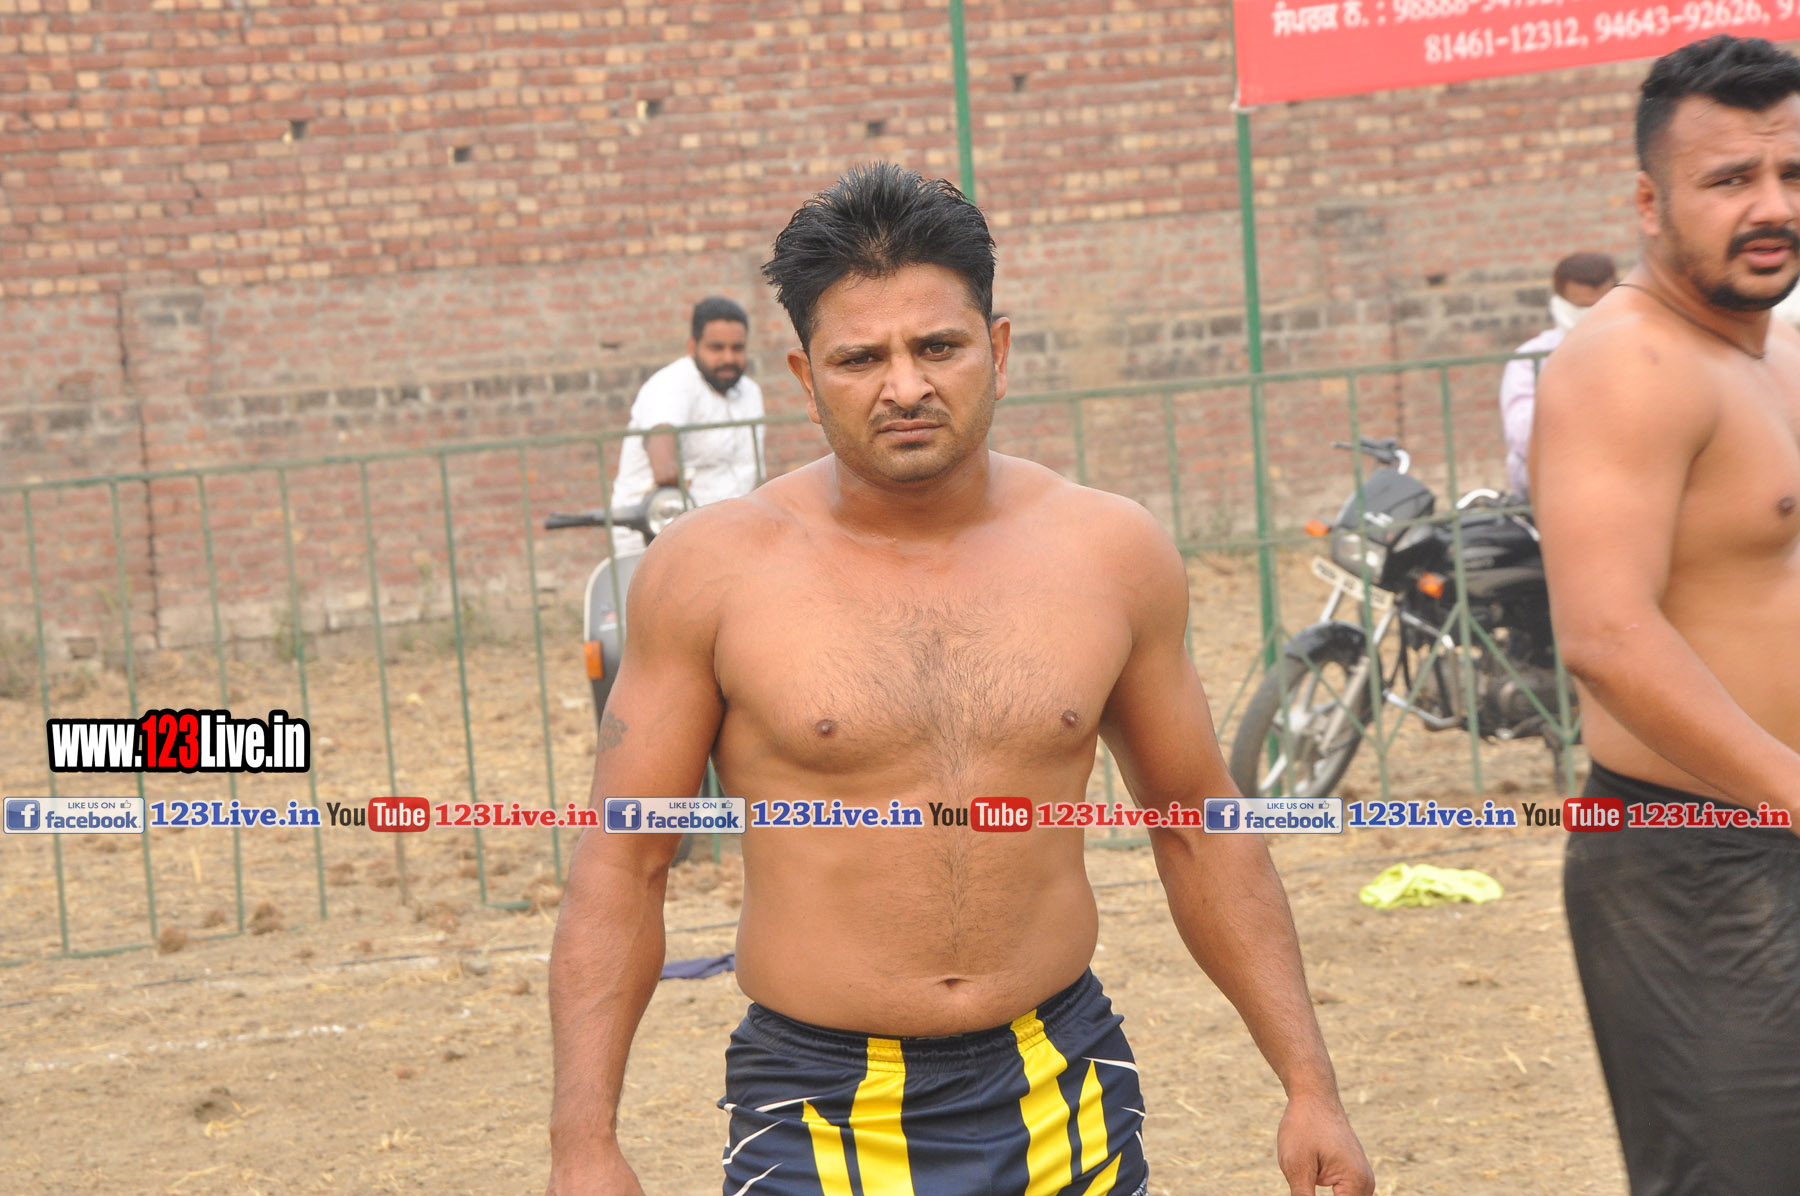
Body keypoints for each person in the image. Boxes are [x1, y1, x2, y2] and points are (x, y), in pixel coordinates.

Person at [546, 163, 1374, 1196]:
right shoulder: (709, 572)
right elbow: (623, 862)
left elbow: (1200, 826)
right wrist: (583, 1143)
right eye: (861, 358)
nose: (904, 386)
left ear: (999, 350)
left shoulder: (1109, 551)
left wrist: (1309, 1084)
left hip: (1063, 1084)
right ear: (805, 379)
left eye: (937, 346)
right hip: (819, 1109)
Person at [1531, 35, 1800, 1196]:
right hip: (1700, 857)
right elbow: (1608, 635)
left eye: (1791, 173)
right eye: (1730, 178)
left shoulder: (1775, 353)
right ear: (1650, 202)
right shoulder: (1627, 363)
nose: (1772, 204)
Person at [608, 296, 765, 510]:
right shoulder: (672, 384)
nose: (728, 358)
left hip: (734, 519)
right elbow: (662, 456)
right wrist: (668, 468)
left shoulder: (750, 392)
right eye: (716, 348)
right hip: (657, 522)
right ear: (692, 347)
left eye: (737, 348)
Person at [1497, 252, 1617, 501]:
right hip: (1553, 490)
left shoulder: (1640, 352)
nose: (1591, 315)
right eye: (1581, 308)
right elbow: (1522, 434)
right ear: (1560, 303)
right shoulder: (1530, 359)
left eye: (1600, 305)